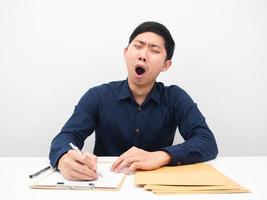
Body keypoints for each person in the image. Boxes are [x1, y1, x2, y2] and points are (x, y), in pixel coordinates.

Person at [49, 21, 218, 181]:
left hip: (154, 187)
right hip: (105, 183)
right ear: (126, 52)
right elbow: (66, 137)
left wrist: (160, 156)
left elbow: (206, 141)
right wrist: (63, 158)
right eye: (137, 46)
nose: (143, 55)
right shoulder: (98, 96)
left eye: (154, 50)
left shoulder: (175, 97)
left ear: (166, 65)